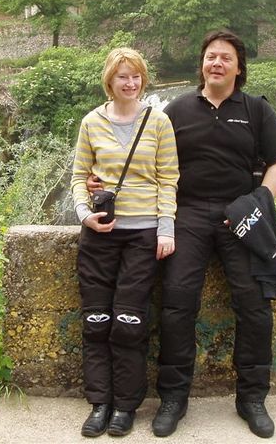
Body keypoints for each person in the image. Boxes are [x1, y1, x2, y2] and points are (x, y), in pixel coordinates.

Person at [90, 29, 276, 438]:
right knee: (177, 305)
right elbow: (146, 160)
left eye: (225, 58)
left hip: (240, 215)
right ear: (202, 64)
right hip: (188, 214)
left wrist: (259, 200)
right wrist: (102, 180)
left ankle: (252, 398)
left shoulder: (256, 110)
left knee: (254, 306)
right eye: (210, 56)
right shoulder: (177, 110)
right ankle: (173, 398)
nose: (216, 63)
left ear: (239, 68)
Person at [71, 47, 179, 438]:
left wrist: (165, 227)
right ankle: (99, 403)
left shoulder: (159, 121)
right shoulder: (91, 122)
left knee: (129, 322)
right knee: (96, 321)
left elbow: (168, 179)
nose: (130, 83)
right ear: (110, 81)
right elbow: (79, 176)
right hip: (100, 234)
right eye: (122, 76)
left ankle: (125, 406)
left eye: (135, 76)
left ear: (143, 80)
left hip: (142, 235)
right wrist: (84, 214)